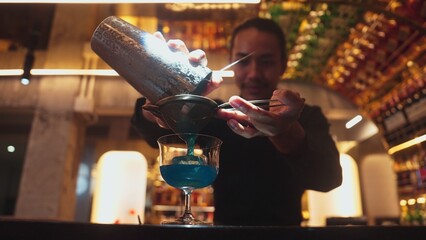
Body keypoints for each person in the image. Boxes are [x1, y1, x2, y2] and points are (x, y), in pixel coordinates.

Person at [132, 17, 342, 226]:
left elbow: (328, 178)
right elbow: (153, 134)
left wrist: (285, 131)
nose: (254, 73)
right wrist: (160, 101)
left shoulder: (306, 116)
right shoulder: (216, 114)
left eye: (266, 62)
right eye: (243, 61)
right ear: (231, 60)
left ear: (283, 64)